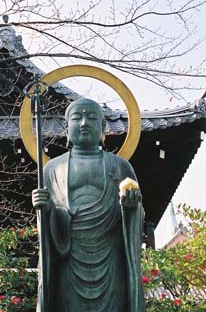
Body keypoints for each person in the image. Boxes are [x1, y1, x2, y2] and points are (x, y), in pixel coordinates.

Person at [32, 98, 145, 312]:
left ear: (103, 128)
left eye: (92, 118)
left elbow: (136, 214)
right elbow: (48, 220)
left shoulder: (121, 166)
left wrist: (131, 207)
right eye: (77, 118)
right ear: (67, 128)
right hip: (69, 258)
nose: (84, 123)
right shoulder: (52, 169)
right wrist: (45, 210)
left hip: (110, 259)